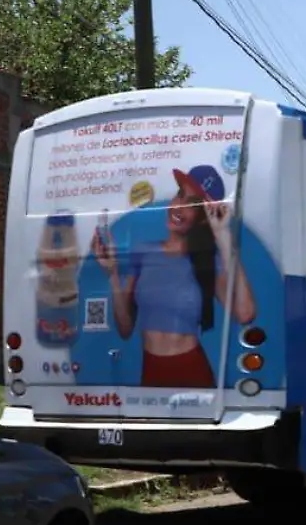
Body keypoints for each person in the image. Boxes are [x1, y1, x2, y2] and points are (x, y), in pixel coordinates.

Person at [93, 165, 257, 388]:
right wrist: (112, 274)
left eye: (192, 204)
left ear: (202, 218)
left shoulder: (207, 260)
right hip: (150, 371)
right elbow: (125, 329)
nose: (179, 207)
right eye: (180, 194)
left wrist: (222, 234)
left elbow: (246, 313)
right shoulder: (144, 252)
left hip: (191, 370)